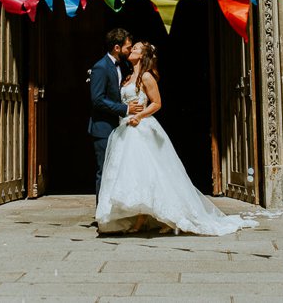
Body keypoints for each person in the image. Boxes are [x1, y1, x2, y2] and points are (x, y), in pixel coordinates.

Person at [95, 41, 258, 235]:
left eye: (136, 48)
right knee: (136, 175)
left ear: (143, 55)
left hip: (140, 128)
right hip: (126, 129)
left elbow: (157, 103)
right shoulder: (128, 76)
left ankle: (165, 217)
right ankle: (140, 218)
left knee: (152, 174)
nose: (132, 50)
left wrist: (138, 116)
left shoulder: (147, 77)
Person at [88, 28, 142, 200]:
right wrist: (125, 109)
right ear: (117, 48)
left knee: (119, 170)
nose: (130, 50)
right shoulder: (101, 67)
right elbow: (97, 99)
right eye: (128, 47)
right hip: (104, 128)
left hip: (121, 127)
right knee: (104, 171)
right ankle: (102, 214)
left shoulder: (123, 66)